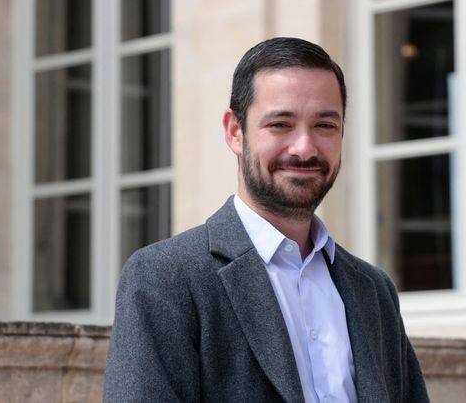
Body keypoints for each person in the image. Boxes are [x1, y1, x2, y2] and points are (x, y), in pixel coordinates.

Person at [103, 37, 430, 403]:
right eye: (280, 124)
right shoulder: (165, 279)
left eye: (325, 125)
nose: (305, 147)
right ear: (234, 132)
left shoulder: (374, 289)